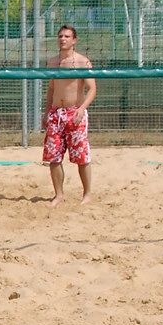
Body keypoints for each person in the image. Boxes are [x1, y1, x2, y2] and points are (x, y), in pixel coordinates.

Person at [42, 24, 98, 205]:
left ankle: (87, 194)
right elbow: (51, 88)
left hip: (75, 113)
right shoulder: (52, 62)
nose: (63, 39)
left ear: (74, 40)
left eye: (67, 36)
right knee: (53, 157)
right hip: (56, 114)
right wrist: (47, 112)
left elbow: (92, 89)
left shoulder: (82, 62)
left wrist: (82, 109)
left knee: (81, 157)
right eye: (60, 36)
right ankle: (59, 195)